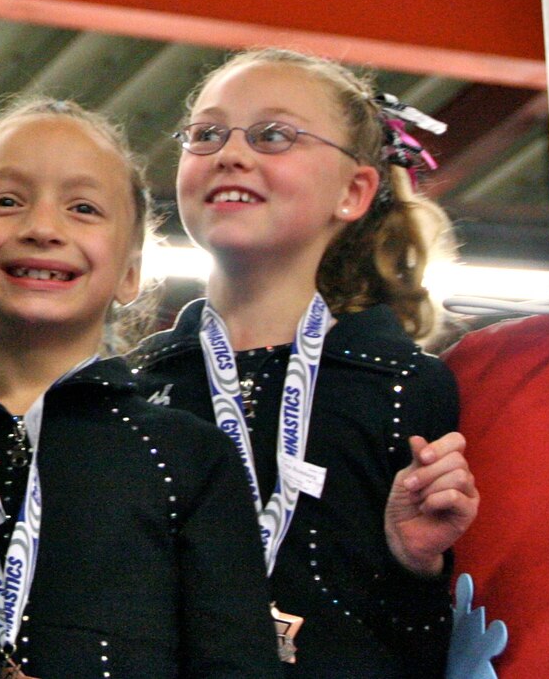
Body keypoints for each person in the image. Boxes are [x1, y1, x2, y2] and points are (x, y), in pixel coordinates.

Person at [132, 47, 480, 678]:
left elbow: (419, 649)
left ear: (352, 192)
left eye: (274, 136)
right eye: (207, 134)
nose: (231, 154)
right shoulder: (137, 388)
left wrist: (415, 564)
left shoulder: (400, 384)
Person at [0, 97, 277, 677]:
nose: (42, 228)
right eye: (5, 201)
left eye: (83, 208)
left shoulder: (188, 458)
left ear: (131, 270)